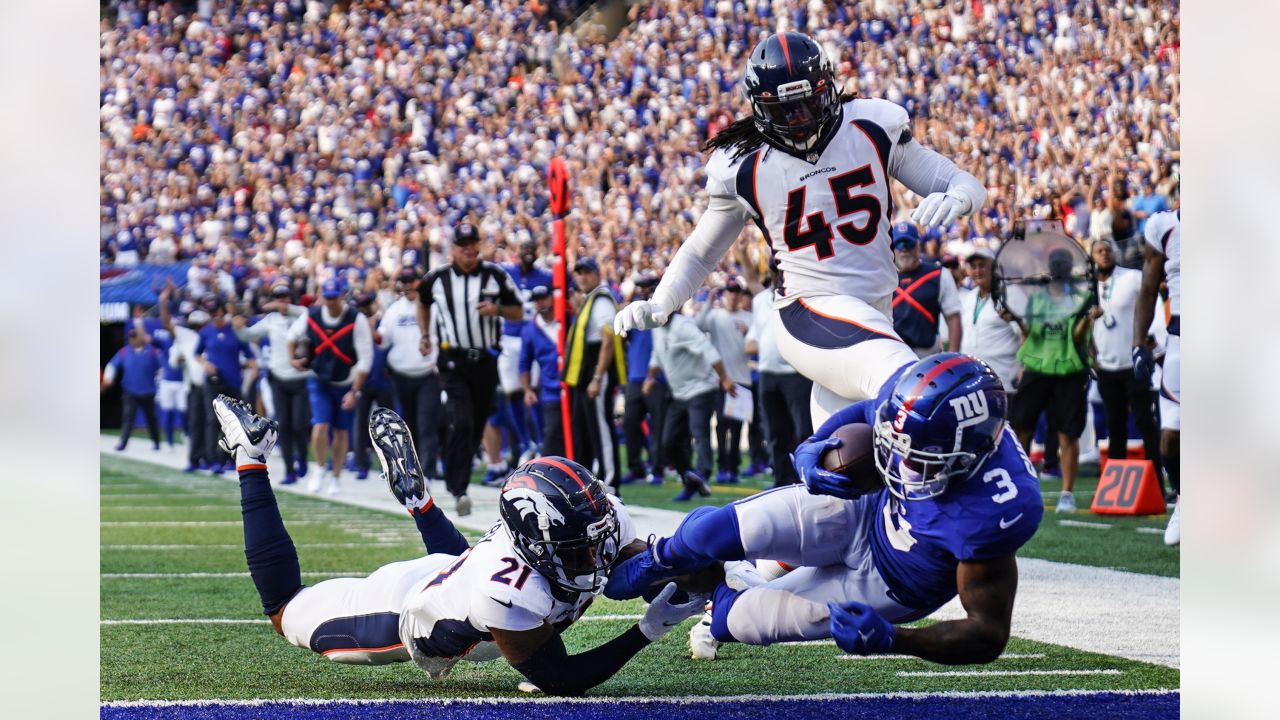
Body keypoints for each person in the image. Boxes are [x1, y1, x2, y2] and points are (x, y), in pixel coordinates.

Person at [213, 395, 705, 695]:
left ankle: (422, 504)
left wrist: (707, 572)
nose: (595, 557)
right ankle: (251, 455)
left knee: (464, 565)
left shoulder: (596, 518)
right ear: (537, 545)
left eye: (595, 541)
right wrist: (648, 629)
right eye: (578, 549)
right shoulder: (506, 588)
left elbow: (648, 561)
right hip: (403, 611)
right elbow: (561, 679)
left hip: (462, 574)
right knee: (283, 609)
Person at [614, 32, 986, 428]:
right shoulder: (744, 165)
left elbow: (958, 180)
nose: (800, 119)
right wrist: (663, 300)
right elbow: (702, 251)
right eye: (785, 110)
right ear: (759, 109)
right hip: (809, 310)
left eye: (808, 103)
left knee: (845, 468)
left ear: (827, 88)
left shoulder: (870, 125)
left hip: (874, 309)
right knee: (910, 386)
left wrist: (961, 195)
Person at [604, 354, 1042, 665]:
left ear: (966, 457)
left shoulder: (996, 510)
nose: (898, 463)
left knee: (735, 620)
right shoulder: (918, 397)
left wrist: (897, 640)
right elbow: (869, 410)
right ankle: (661, 559)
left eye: (916, 459)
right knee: (708, 531)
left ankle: (718, 588)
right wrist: (813, 446)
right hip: (864, 508)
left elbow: (987, 633)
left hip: (890, 583)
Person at [418, 220, 523, 515]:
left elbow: (518, 311)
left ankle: (458, 481)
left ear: (478, 246)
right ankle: (458, 486)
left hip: (485, 360)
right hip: (452, 360)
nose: (468, 250)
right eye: (462, 245)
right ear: (453, 249)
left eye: (472, 244)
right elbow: (422, 302)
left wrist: (498, 310)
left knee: (476, 426)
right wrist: (426, 335)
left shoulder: (494, 276)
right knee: (461, 420)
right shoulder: (436, 278)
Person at [1006, 249, 1097, 514]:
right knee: (1021, 426)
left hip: (1069, 368)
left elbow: (1079, 337)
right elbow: (1030, 334)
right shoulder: (1038, 299)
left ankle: (1066, 493)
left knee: (1068, 432)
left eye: (1063, 264)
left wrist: (1088, 318)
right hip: (1037, 365)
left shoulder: (1082, 297)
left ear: (1070, 267)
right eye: (1055, 264)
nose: (1059, 267)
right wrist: (1015, 321)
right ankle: (1021, 486)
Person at [287, 277, 373, 496]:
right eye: (328, 297)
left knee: (341, 430)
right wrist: (292, 359)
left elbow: (366, 358)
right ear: (322, 296)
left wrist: (355, 391)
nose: (331, 302)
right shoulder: (312, 315)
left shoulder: (356, 319)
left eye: (335, 297)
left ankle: (335, 476)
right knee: (320, 424)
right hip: (319, 377)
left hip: (346, 380)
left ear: (342, 296)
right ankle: (319, 467)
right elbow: (292, 335)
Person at [1089, 239, 1163, 489]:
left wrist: (1149, 341)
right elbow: (1083, 326)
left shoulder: (1131, 277)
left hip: (1133, 364)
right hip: (1106, 367)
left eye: (1108, 250)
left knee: (1145, 422)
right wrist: (1092, 357)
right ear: (1091, 257)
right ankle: (1115, 488)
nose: (1105, 254)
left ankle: (1157, 482)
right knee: (1115, 426)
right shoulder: (1087, 287)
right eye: (1099, 251)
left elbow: (1150, 302)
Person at [647, 310, 737, 502]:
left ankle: (702, 474)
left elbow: (708, 350)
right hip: (679, 393)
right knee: (669, 441)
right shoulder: (656, 326)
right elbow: (657, 354)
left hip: (701, 387)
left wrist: (724, 378)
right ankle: (690, 477)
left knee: (699, 432)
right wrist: (650, 377)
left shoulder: (683, 326)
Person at [1134, 209, 1180, 545]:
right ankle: (1183, 496)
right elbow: (1148, 289)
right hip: (1183, 338)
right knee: (1171, 437)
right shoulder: (1164, 225)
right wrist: (1138, 345)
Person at [234, 283, 309, 485]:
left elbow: (307, 313)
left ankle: (302, 458)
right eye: (277, 296)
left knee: (300, 425)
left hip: (301, 377)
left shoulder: (301, 316)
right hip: (278, 377)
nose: (281, 300)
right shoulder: (271, 320)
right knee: (283, 424)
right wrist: (239, 327)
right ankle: (289, 470)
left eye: (284, 296)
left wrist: (281, 306)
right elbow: (248, 335)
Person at [564, 257, 625, 493]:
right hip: (584, 374)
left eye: (587, 272)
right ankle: (586, 482)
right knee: (585, 431)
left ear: (598, 274)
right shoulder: (591, 300)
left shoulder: (601, 300)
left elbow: (607, 340)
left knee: (600, 428)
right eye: (578, 273)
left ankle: (610, 482)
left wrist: (598, 377)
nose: (582, 277)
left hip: (594, 371)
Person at [746, 281, 813, 487]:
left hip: (796, 372)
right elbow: (752, 340)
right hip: (768, 372)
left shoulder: (803, 293)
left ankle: (805, 478)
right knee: (774, 431)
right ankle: (782, 480)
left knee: (803, 430)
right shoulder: (759, 301)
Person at [380, 266, 442, 482]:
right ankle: (413, 469)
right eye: (403, 282)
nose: (407, 285)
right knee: (408, 425)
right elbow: (383, 339)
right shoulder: (394, 310)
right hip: (401, 374)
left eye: (411, 281)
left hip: (427, 373)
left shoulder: (431, 307)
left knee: (426, 423)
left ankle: (428, 469)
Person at [696, 280, 753, 484]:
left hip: (742, 378)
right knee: (721, 425)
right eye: (730, 292)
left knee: (737, 427)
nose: (733, 295)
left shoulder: (749, 317)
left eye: (737, 292)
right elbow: (698, 325)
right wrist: (708, 303)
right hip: (720, 379)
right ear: (725, 294)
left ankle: (733, 468)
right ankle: (722, 467)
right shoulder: (715, 315)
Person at [195, 295, 257, 474]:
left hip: (233, 382)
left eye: (218, 312)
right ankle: (212, 460)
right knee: (211, 419)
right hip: (213, 382)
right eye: (213, 313)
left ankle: (228, 458)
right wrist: (205, 364)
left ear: (223, 312)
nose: (216, 316)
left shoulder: (235, 331)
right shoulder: (206, 332)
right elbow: (197, 354)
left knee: (231, 423)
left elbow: (249, 354)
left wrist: (253, 368)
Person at [620, 272, 668, 485]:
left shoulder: (664, 309)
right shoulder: (633, 312)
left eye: (647, 287)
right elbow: (620, 329)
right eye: (641, 287)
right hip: (636, 376)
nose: (643, 291)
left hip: (657, 377)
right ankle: (636, 467)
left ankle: (657, 468)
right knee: (630, 423)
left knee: (658, 426)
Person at [957, 248, 1023, 397]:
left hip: (1005, 381)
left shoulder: (1011, 294)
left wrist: (1023, 368)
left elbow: (1027, 334)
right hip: (973, 382)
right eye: (973, 267)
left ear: (994, 267)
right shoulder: (969, 297)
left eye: (982, 265)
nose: (977, 271)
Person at [889, 223, 962, 358]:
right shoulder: (885, 278)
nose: (904, 249)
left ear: (918, 245)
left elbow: (953, 318)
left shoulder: (939, 274)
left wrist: (953, 357)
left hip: (927, 356)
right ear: (893, 249)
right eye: (899, 245)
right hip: (893, 357)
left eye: (909, 244)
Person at [352, 292, 398, 480]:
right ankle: (362, 463)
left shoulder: (383, 322)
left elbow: (385, 342)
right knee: (362, 423)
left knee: (389, 424)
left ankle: (393, 464)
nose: (364, 310)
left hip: (383, 379)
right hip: (364, 379)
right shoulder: (355, 323)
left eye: (367, 306)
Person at [519, 285, 567, 456]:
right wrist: (527, 390)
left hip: (573, 386)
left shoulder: (566, 319)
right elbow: (524, 363)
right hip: (551, 391)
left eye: (543, 298)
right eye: (536, 300)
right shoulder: (530, 330)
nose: (540, 303)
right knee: (552, 434)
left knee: (577, 433)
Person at [101, 327, 164, 452]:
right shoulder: (124, 352)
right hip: (130, 390)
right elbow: (113, 364)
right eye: (131, 338)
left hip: (148, 391)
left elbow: (161, 369)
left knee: (151, 418)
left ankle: (156, 442)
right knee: (128, 417)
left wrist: (159, 387)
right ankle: (123, 443)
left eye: (134, 337)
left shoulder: (152, 352)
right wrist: (108, 378)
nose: (132, 340)